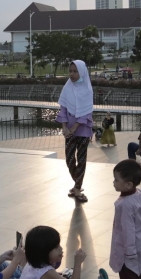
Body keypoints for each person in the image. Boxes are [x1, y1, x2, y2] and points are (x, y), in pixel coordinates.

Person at [57, 60, 94, 203]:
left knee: (82, 159)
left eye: (75, 71)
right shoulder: (67, 87)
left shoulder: (87, 89)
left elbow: (87, 113)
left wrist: (74, 128)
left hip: (83, 129)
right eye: (70, 71)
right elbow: (63, 109)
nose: (72, 74)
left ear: (82, 72)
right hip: (69, 131)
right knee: (69, 159)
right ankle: (78, 183)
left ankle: (77, 189)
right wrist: (64, 127)